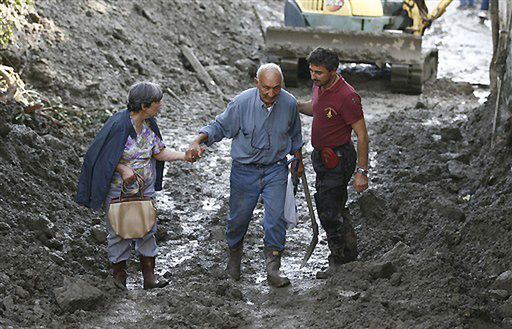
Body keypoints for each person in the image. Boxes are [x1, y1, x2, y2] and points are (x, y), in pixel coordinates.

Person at [188, 63, 303, 287]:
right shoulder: (241, 103)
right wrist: (198, 140)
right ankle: (234, 259)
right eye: (266, 88)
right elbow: (219, 126)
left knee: (275, 219)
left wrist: (298, 163)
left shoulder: (289, 103)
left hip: (275, 169)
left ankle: (273, 268)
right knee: (238, 219)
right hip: (245, 171)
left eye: (276, 88)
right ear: (256, 84)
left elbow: (295, 135)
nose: (271, 94)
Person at [76, 81, 197, 289]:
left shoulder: (150, 125)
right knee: (118, 229)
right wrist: (123, 169)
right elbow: (100, 157)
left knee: (147, 226)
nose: (160, 106)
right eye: (157, 102)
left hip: (144, 188)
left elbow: (158, 152)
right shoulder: (117, 126)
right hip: (118, 190)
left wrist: (184, 157)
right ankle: (119, 276)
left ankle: (149, 277)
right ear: (144, 106)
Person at [297, 47, 369, 278]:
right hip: (322, 157)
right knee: (333, 206)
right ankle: (348, 253)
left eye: (318, 72)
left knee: (329, 211)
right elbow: (315, 108)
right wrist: (295, 105)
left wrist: (362, 172)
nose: (313, 76)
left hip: (338, 159)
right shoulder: (320, 87)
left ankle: (339, 262)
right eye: (311, 71)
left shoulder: (347, 96)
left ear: (333, 71)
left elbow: (362, 135)